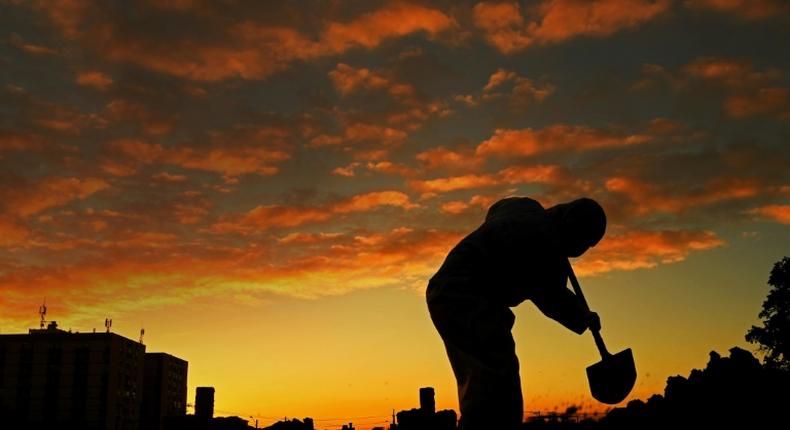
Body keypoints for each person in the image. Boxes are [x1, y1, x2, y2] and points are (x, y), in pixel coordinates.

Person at [426, 196, 606, 430]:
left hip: (450, 293)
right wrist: (583, 316)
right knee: (496, 377)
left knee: (483, 374)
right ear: (570, 223)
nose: (581, 250)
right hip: (463, 295)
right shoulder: (542, 241)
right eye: (583, 242)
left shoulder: (528, 211)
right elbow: (549, 294)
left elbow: (498, 207)